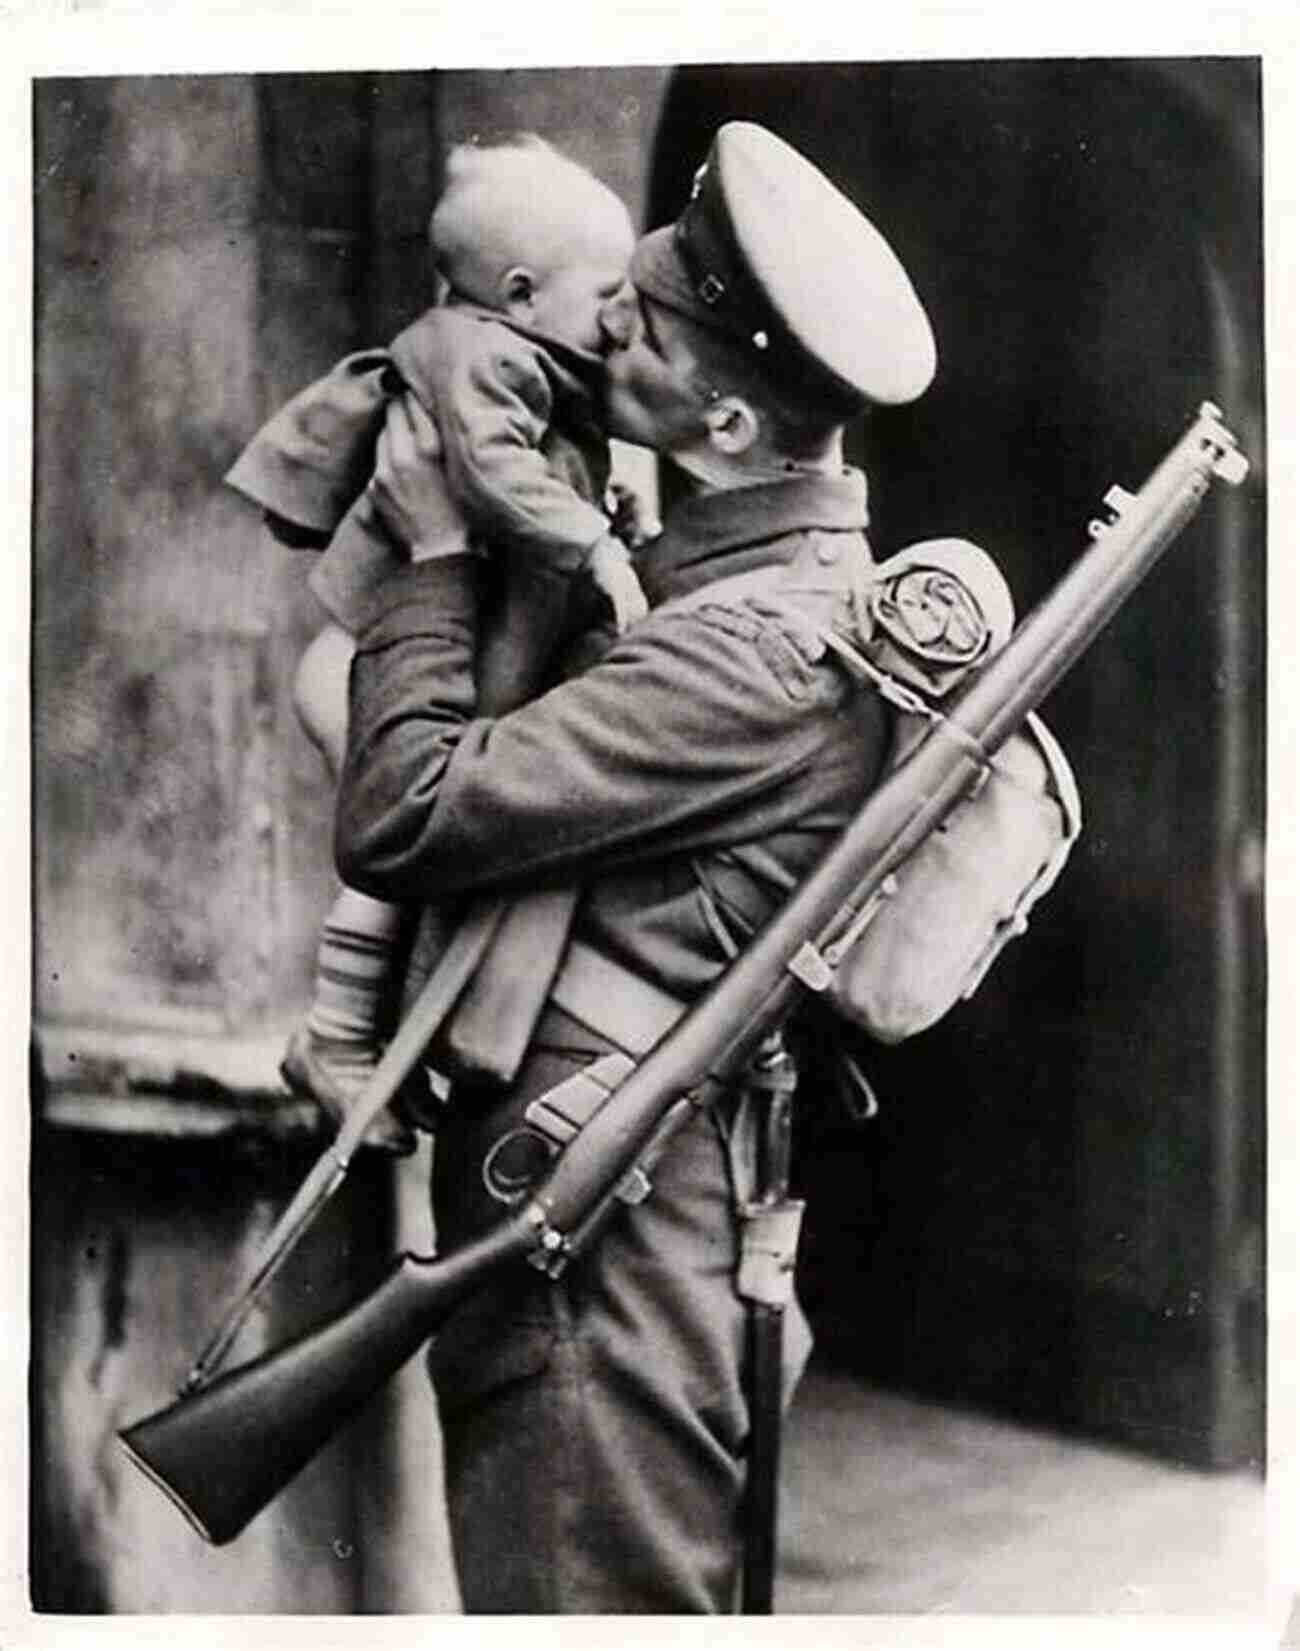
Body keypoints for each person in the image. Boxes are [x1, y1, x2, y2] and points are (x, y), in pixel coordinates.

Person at [335, 121, 939, 1612]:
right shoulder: (741, 586)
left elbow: (408, 809)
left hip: (596, 1247)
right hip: (601, 1205)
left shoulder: (757, 651)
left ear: (727, 428)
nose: (599, 323)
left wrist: (423, 556)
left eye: (644, 321)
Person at [225, 134, 648, 1149]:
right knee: (409, 850)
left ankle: (384, 1045)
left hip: (397, 665)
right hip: (363, 668)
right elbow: (500, 477)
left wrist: (605, 494)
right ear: (519, 291)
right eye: (607, 293)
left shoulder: (523, 354)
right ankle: (332, 1039)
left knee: (433, 855)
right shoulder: (481, 360)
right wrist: (594, 543)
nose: (622, 315)